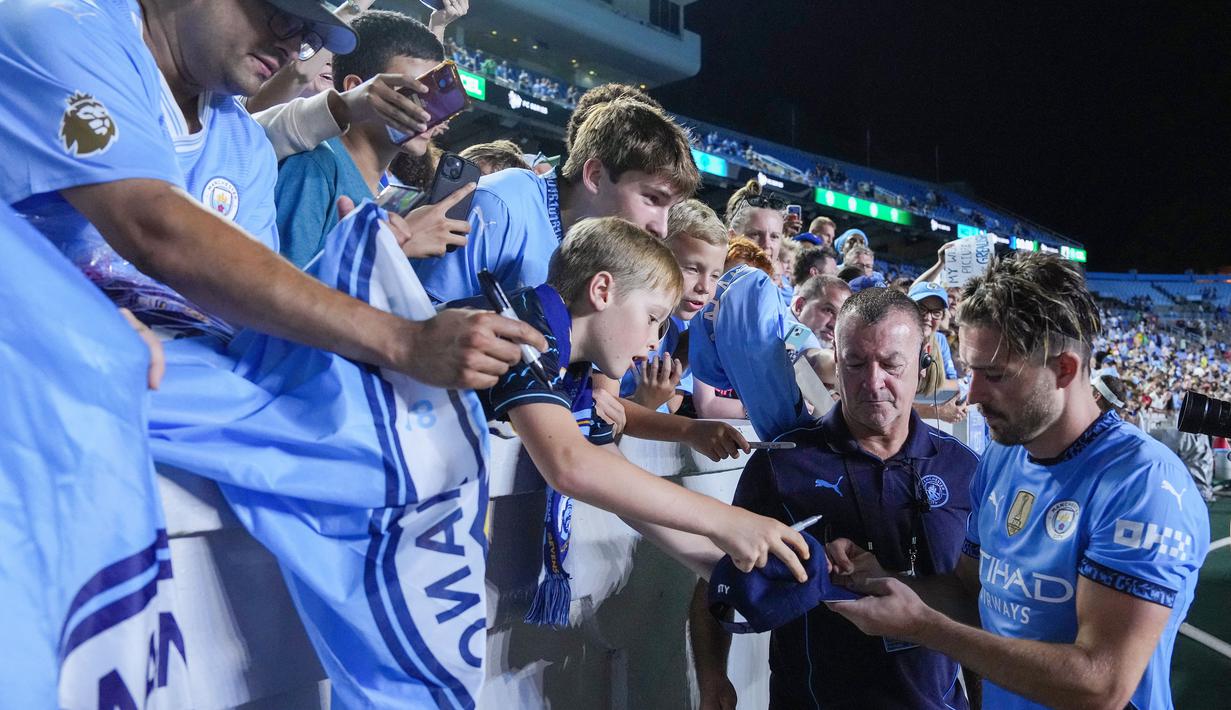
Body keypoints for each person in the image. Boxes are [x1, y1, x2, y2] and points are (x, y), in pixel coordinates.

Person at [0, 0, 540, 390]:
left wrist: (354, 273)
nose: (292, 45)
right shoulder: (62, 26)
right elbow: (155, 229)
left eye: (306, 34)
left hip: (178, 383)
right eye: (282, 13)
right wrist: (403, 339)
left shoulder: (242, 143)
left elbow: (244, 317)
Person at [827, 253, 1211, 710]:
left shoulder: (1143, 484)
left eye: (994, 375)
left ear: (1064, 370)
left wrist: (922, 626)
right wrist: (887, 580)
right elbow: (971, 593)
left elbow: (1101, 685)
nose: (972, 395)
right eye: (971, 371)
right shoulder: (1002, 454)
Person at [452, 217, 811, 615]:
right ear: (602, 290)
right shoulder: (529, 330)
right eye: (653, 317)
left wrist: (718, 568)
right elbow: (571, 465)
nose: (655, 340)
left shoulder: (571, 359)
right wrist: (727, 521)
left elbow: (608, 463)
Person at [690, 287, 980, 709]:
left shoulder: (963, 469)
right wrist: (712, 676)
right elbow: (713, 580)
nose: (872, 382)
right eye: (856, 363)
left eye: (891, 365)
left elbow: (976, 606)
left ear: (922, 366)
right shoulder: (782, 465)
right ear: (835, 362)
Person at [413, 93, 699, 302]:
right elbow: (419, 318)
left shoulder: (606, 249)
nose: (661, 228)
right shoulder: (501, 204)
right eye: (651, 198)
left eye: (670, 207)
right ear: (595, 176)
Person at [275, 10, 463, 267]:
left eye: (435, 99)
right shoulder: (315, 169)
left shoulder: (386, 191)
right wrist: (393, 247)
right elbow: (275, 293)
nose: (429, 115)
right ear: (357, 89)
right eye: (414, 96)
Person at [691, 238, 835, 441]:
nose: (739, 294)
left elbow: (812, 356)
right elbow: (707, 406)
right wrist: (761, 405)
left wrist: (840, 363)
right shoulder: (705, 330)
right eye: (729, 281)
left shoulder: (785, 327)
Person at [725, 179, 786, 286]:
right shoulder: (709, 287)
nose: (767, 244)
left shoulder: (775, 291)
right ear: (732, 236)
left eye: (774, 236)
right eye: (755, 234)